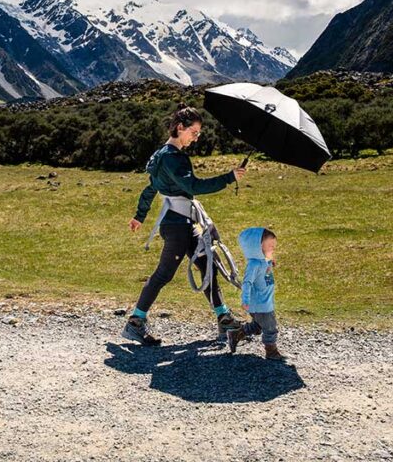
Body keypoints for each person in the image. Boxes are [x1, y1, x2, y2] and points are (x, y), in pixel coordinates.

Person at [122, 104, 246, 346]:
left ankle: (223, 318)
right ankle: (135, 322)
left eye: (199, 133)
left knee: (207, 266)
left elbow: (150, 189)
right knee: (164, 274)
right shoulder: (172, 158)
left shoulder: (163, 154)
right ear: (180, 128)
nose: (196, 137)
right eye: (194, 132)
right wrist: (228, 178)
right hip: (177, 226)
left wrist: (140, 216)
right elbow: (193, 187)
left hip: (183, 222)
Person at [227, 227, 285, 361]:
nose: (273, 249)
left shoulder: (263, 261)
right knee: (270, 327)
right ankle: (271, 351)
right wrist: (245, 300)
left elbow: (266, 268)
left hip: (265, 302)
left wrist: (270, 261)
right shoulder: (254, 264)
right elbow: (247, 283)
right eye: (270, 246)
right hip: (260, 304)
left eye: (274, 246)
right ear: (257, 247)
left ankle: (237, 333)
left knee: (259, 325)